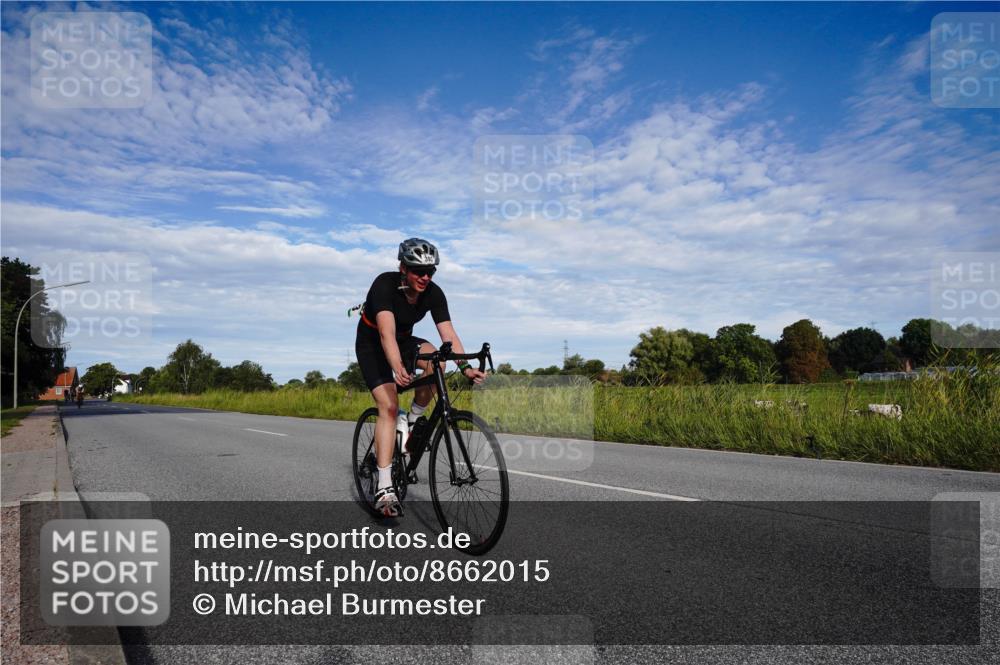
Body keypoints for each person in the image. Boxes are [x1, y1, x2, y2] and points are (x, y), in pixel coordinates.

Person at [355, 238, 486, 517]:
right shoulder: (384, 285)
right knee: (389, 407)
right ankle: (385, 486)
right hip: (373, 343)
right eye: (418, 271)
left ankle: (412, 423)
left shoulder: (433, 293)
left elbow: (448, 334)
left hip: (403, 341)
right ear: (403, 268)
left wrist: (465, 367)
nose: (425, 277)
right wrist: (397, 367)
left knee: (437, 363)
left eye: (431, 272)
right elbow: (385, 334)